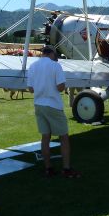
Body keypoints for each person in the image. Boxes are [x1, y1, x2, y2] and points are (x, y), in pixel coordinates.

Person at [28, 45, 81, 178]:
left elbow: (31, 89)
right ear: (51, 53)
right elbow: (61, 87)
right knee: (64, 137)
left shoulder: (33, 66)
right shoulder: (55, 66)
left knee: (45, 137)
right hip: (53, 105)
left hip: (39, 105)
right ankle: (66, 168)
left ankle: (48, 168)